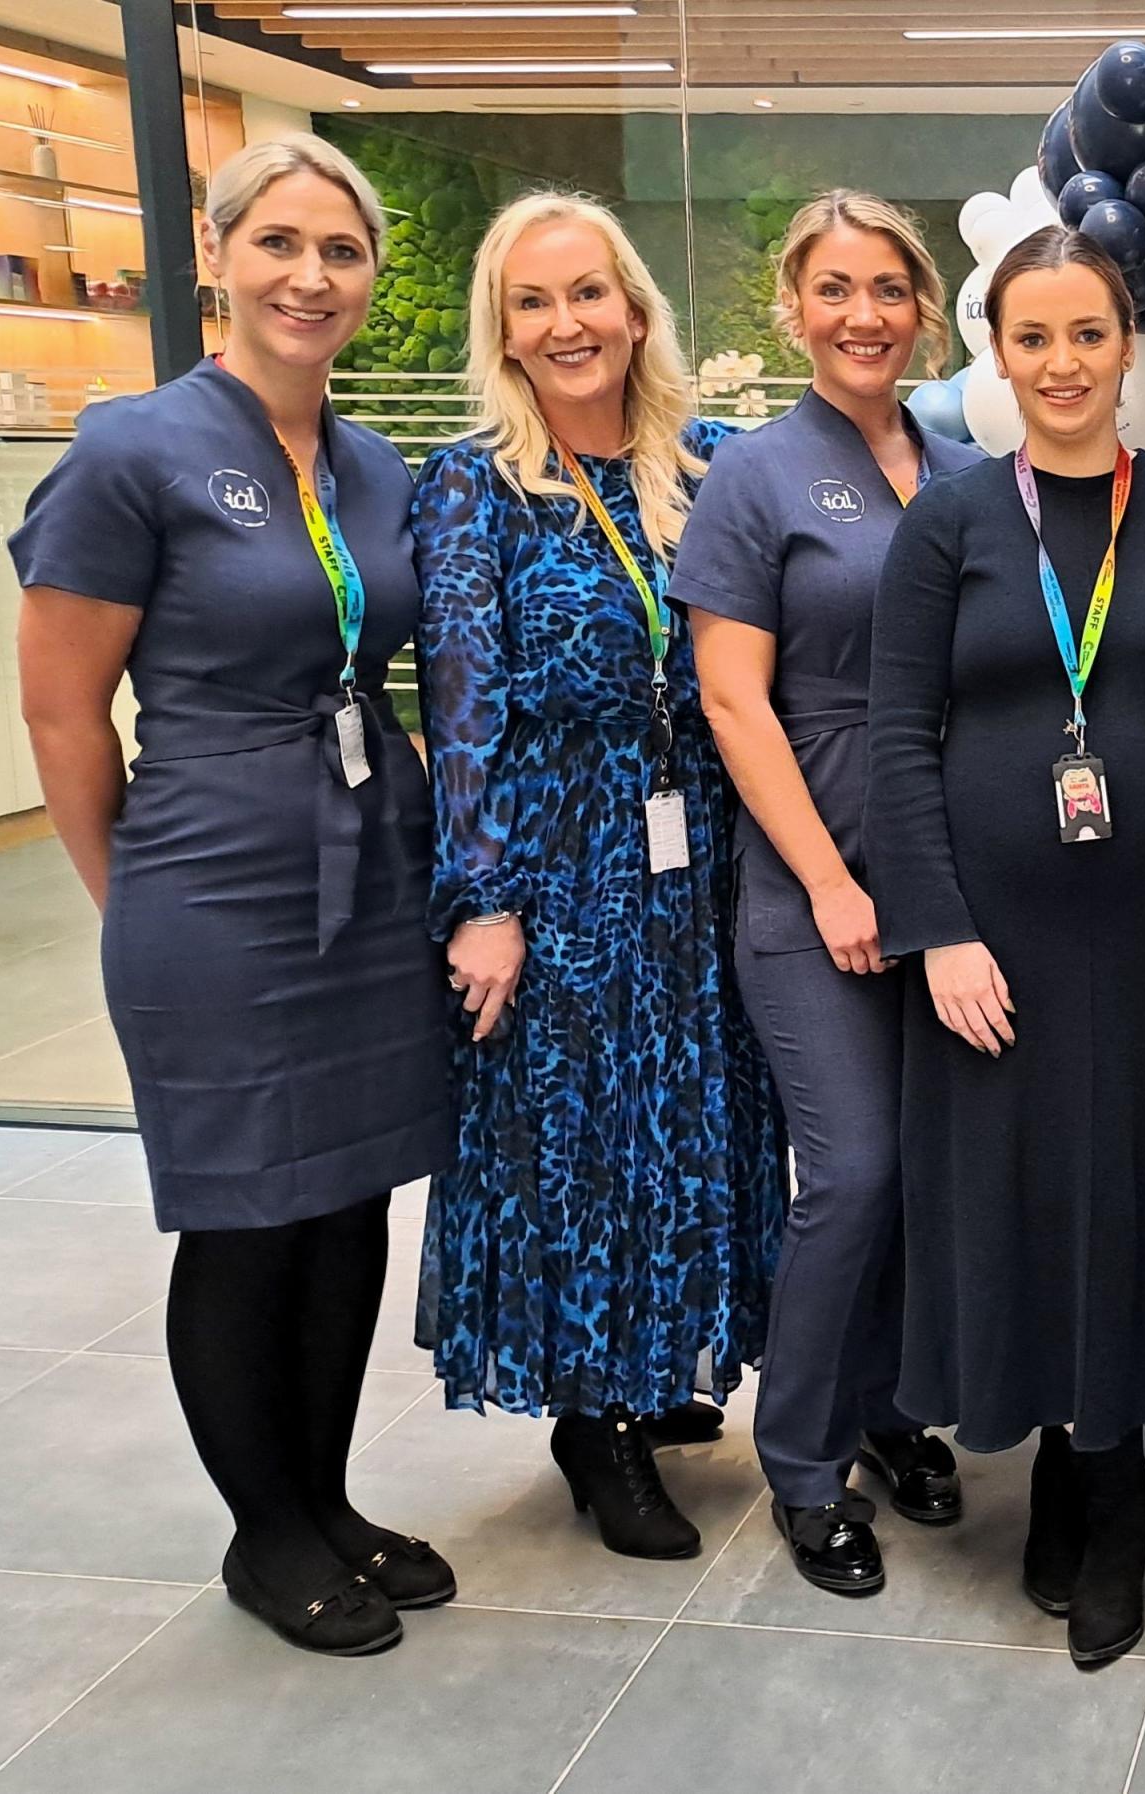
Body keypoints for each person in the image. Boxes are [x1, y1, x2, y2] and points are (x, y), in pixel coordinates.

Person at [11, 134, 454, 1657]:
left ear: (369, 283)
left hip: (369, 864)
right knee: (247, 1215)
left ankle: (325, 1497)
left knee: (344, 1201)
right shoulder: (132, 448)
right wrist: (127, 891)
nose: (309, 276)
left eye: (341, 252)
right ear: (220, 256)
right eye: (280, 244)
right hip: (212, 876)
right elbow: (65, 710)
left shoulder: (374, 461)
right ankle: (263, 1532)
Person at [864, 226, 1145, 1667]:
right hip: (991, 947)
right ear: (997, 351)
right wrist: (939, 935)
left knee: (1125, 1199)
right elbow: (895, 739)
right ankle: (1056, 1444)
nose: (1061, 364)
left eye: (1088, 335)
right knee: (1015, 1203)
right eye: (1032, 337)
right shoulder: (952, 521)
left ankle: (1114, 1488)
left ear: (1127, 348)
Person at [412, 193, 786, 1561]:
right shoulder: (469, 487)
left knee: (692, 1123)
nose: (565, 323)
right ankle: (593, 1417)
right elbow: (462, 710)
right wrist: (484, 902)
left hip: (706, 867)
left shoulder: (717, 466)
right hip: (561, 869)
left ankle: (657, 1363)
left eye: (588, 293)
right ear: (503, 333)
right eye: (532, 300)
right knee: (581, 1145)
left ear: (636, 309)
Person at [674, 191, 981, 1597]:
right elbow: (734, 704)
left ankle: (889, 1408)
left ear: (924, 306)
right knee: (850, 1170)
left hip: (953, 879)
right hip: (815, 890)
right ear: (793, 310)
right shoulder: (755, 475)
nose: (864, 313)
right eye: (835, 288)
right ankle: (802, 1460)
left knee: (926, 1174)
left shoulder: (965, 460)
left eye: (889, 288)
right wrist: (829, 880)